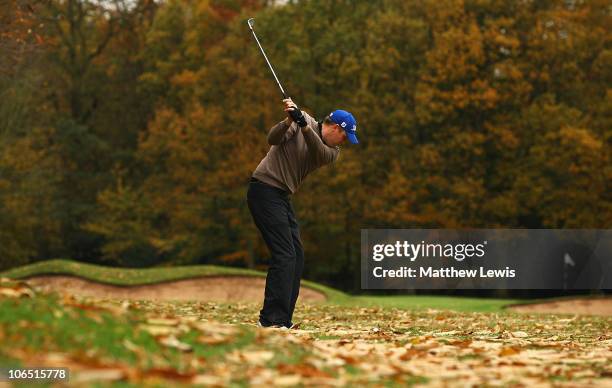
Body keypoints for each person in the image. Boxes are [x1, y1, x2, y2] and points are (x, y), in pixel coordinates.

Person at [247, 98, 359, 328]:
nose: (344, 142)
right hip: (263, 190)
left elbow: (316, 148)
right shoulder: (300, 121)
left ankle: (283, 319)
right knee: (285, 254)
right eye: (345, 137)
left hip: (280, 196)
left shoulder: (331, 151)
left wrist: (303, 125)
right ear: (336, 128)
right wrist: (288, 121)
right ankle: (271, 321)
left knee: (296, 256)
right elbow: (273, 139)